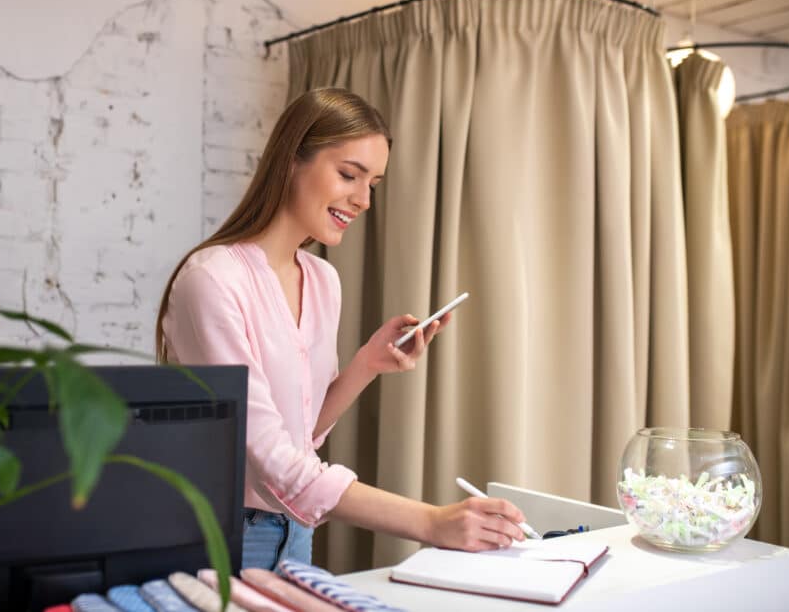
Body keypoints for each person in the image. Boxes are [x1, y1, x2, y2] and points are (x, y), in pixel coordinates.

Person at [156, 87, 527, 570]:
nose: (363, 199)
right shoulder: (212, 280)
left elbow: (297, 437)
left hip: (295, 534)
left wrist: (367, 364)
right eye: (349, 175)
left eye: (373, 182)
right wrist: (431, 522)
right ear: (291, 160)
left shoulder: (322, 279)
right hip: (216, 537)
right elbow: (268, 457)